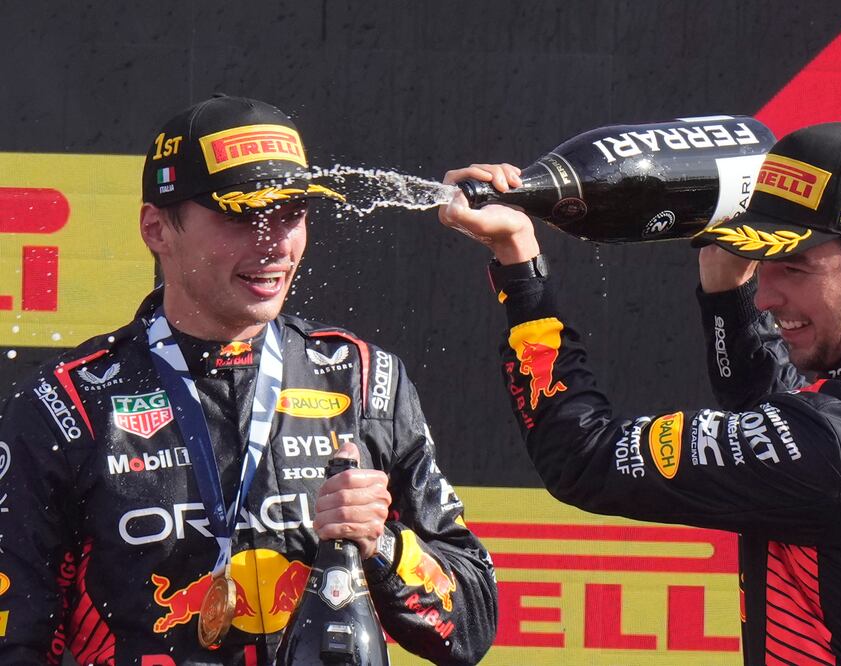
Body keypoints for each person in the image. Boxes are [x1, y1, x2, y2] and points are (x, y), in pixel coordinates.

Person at [438, 119, 841, 665]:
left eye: (794, 268)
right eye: (761, 262)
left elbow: (582, 458)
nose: (766, 295)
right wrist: (727, 292)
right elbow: (789, 441)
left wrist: (521, 268)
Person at [0, 94, 497, 666]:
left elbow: (471, 626)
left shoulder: (363, 378)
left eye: (292, 214)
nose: (277, 242)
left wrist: (380, 544)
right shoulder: (66, 403)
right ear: (157, 228)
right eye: (242, 216)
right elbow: (18, 639)